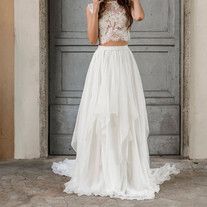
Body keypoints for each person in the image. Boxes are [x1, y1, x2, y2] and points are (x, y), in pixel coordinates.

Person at [52, 0, 180, 200]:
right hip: (103, 63)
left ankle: (123, 172)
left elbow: (139, 16)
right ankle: (103, 171)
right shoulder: (92, 7)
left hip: (123, 62)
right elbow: (92, 38)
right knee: (102, 116)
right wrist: (95, 7)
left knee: (124, 116)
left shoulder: (127, 4)